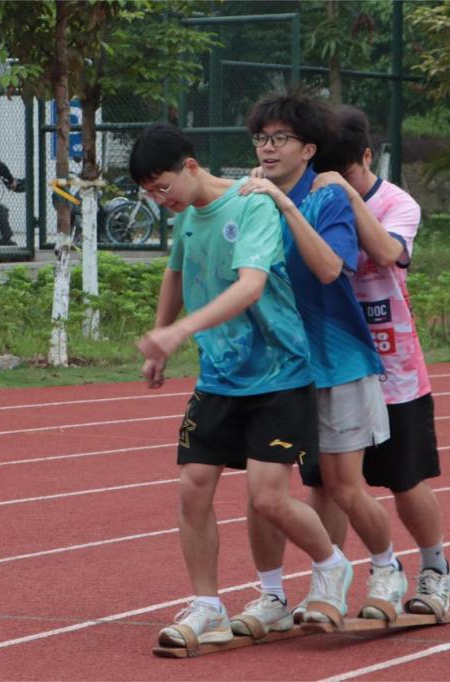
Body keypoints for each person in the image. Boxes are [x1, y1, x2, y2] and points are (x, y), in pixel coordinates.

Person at [130, 123, 350, 648]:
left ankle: (331, 566)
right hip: (220, 376)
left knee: (267, 498)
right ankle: (208, 605)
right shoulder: (187, 215)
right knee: (193, 488)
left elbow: (251, 287)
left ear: (190, 166)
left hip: (279, 374)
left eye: (163, 187)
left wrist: (181, 331)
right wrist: (162, 336)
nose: (161, 201)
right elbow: (176, 274)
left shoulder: (252, 203)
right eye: (149, 194)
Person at [231, 91, 405, 632]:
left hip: (337, 360)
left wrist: (284, 205)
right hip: (275, 368)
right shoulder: (247, 197)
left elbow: (331, 268)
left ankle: (386, 570)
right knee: (265, 493)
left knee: (342, 485)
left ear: (308, 149)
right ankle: (274, 595)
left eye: (279, 139)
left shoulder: (326, 198)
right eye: (261, 139)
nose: (267, 148)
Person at [307, 105, 450, 620]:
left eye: (346, 172)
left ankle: (435, 570)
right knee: (323, 483)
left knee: (404, 478)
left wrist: (347, 196)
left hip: (395, 370)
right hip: (331, 361)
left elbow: (388, 253)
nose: (334, 181)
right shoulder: (309, 197)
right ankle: (328, 581)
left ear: (367, 157)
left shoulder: (397, 202)